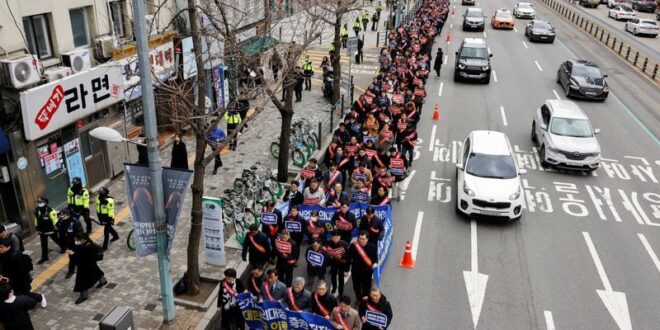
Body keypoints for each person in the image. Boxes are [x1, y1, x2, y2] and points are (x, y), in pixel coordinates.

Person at [68, 232, 107, 304]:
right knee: (96, 272)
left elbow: (83, 258)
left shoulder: (88, 247)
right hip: (89, 265)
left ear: (82, 239)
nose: (76, 241)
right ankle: (103, 281)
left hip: (85, 266)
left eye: (77, 240)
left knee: (82, 282)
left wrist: (73, 254)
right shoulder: (85, 244)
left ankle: (83, 296)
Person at [348, 231, 378, 300]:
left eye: (363, 239)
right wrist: (346, 270)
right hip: (356, 270)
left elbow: (375, 258)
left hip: (367, 271)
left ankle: (365, 300)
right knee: (356, 287)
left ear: (367, 239)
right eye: (360, 238)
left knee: (366, 287)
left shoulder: (372, 247)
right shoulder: (353, 246)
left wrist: (375, 263)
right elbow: (349, 258)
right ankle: (358, 299)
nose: (361, 240)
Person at [33, 196, 63, 264]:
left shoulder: (50, 210)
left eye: (41, 202)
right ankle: (44, 257)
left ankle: (63, 247)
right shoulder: (37, 210)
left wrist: (56, 227)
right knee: (43, 244)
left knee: (56, 239)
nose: (39, 204)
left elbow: (55, 220)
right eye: (38, 202)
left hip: (50, 229)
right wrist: (36, 226)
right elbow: (36, 219)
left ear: (45, 202)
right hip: (42, 230)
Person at [57, 208, 82, 278]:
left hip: (75, 243)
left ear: (68, 215)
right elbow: (57, 228)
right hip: (68, 244)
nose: (62, 216)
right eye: (61, 215)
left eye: (64, 215)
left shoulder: (75, 222)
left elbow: (80, 233)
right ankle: (71, 270)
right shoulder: (61, 221)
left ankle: (76, 269)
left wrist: (78, 242)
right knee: (71, 257)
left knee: (76, 257)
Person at [326, 231, 349, 296]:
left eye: (337, 237)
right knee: (333, 276)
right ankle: (334, 287)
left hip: (342, 264)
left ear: (340, 237)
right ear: (332, 237)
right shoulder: (329, 243)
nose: (335, 238)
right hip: (333, 263)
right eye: (334, 237)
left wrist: (346, 269)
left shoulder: (344, 244)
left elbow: (348, 257)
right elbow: (327, 253)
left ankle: (340, 291)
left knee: (341, 278)